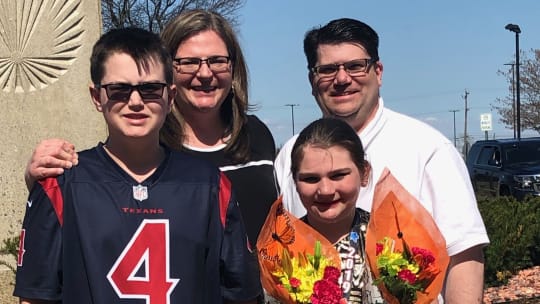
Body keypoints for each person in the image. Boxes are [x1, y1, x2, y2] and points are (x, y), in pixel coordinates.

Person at [14, 27, 260, 303]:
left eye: (150, 89)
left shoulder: (210, 186)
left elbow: (242, 295)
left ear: (170, 96)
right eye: (118, 89)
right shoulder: (60, 185)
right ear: (97, 97)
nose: (135, 102)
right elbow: (35, 297)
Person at [274, 18, 489, 303]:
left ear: (378, 71)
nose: (341, 79)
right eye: (327, 70)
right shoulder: (290, 154)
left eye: (355, 66)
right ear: (312, 80)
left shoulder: (427, 148)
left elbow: (465, 254)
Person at [23, 9, 278, 246]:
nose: (204, 73)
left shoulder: (256, 134)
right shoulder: (146, 142)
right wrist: (36, 178)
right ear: (167, 75)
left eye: (217, 60)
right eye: (188, 62)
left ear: (233, 67)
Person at [290, 118, 382, 303]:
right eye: (310, 178)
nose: (326, 190)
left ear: (364, 173)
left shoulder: (391, 240)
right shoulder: (281, 248)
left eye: (338, 175)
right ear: (294, 181)